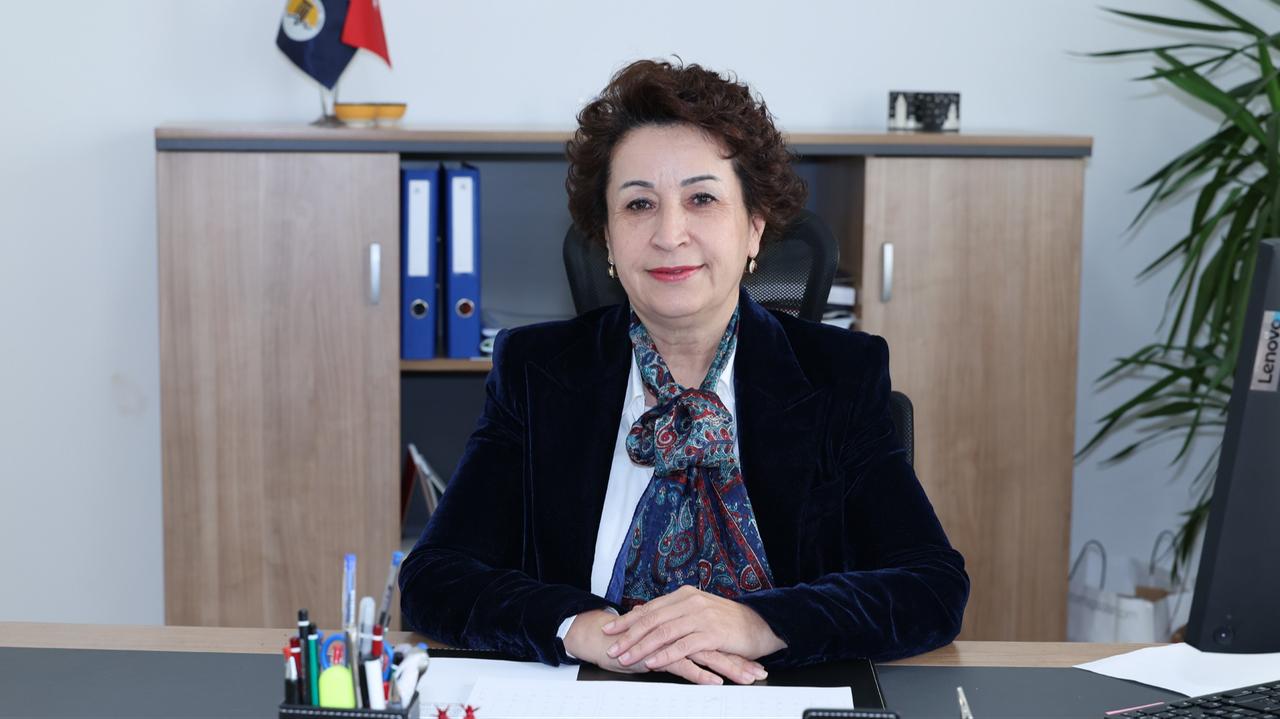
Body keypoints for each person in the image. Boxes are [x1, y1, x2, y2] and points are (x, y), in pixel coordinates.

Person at [399, 58, 968, 686]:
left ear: (754, 228)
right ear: (607, 241)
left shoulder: (838, 374)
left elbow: (930, 585)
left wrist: (757, 623)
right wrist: (586, 629)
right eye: (639, 204)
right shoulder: (538, 373)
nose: (670, 234)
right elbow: (434, 578)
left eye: (701, 199)